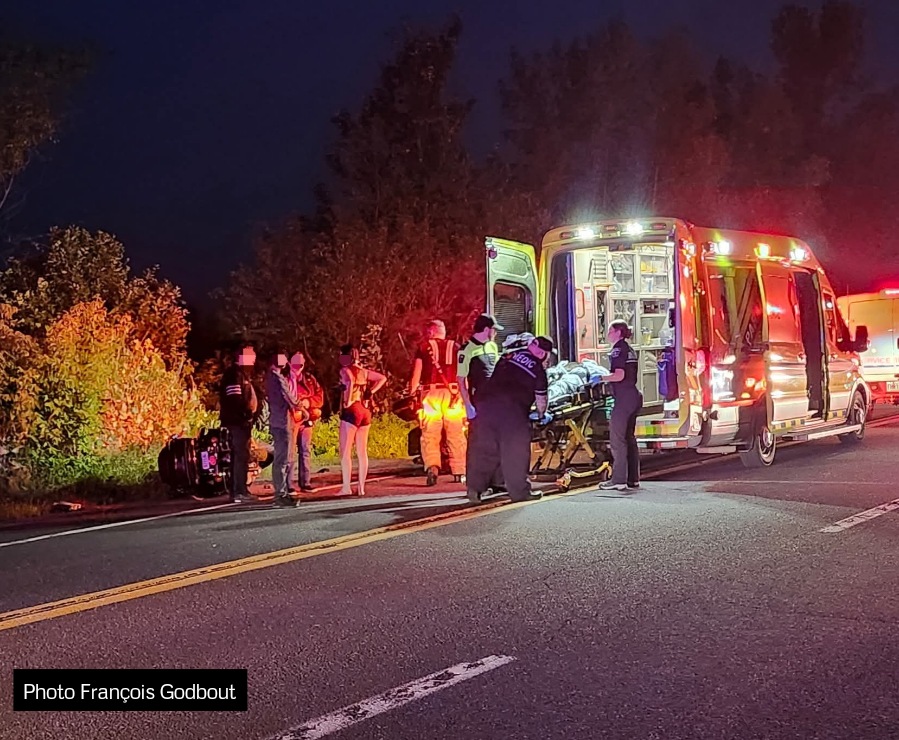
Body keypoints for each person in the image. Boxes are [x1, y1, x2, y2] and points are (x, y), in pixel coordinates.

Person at [466, 335, 554, 503]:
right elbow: (541, 400)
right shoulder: (538, 369)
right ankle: (520, 492)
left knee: (483, 450)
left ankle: (475, 490)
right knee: (515, 453)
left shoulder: (509, 355)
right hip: (512, 413)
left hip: (485, 407)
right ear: (543, 353)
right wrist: (541, 415)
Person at [408, 319, 466, 486]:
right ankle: (459, 471)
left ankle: (432, 467)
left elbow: (416, 373)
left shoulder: (423, 348)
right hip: (453, 394)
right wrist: (463, 395)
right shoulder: (456, 347)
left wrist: (412, 392)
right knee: (456, 433)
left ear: (431, 332)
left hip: (431, 394)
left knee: (430, 434)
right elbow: (463, 372)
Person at [457, 314, 503, 495]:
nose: (495, 334)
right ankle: (476, 484)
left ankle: (498, 482)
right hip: (480, 402)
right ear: (486, 330)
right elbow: (461, 380)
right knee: (479, 444)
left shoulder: (492, 346)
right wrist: (468, 405)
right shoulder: (466, 350)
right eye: (493, 330)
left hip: (497, 401)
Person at [599, 320, 642, 492]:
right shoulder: (629, 349)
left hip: (623, 398)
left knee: (617, 440)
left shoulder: (618, 350)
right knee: (630, 439)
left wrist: (602, 378)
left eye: (610, 330)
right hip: (634, 397)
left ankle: (618, 480)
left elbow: (619, 375)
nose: (608, 333)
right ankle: (633, 479)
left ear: (618, 332)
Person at [338, 344, 387, 496]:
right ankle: (361, 487)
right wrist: (370, 391)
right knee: (362, 451)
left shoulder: (345, 370)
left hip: (352, 410)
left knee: (345, 451)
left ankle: (346, 487)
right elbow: (382, 378)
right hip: (365, 411)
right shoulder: (364, 372)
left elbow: (350, 381)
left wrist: (347, 400)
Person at [219, 344, 258, 504]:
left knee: (242, 455)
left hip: (241, 422)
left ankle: (240, 490)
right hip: (237, 423)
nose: (254, 359)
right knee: (240, 456)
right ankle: (239, 491)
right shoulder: (234, 375)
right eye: (251, 355)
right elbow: (235, 399)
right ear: (241, 357)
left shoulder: (242, 374)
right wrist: (245, 415)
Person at [265, 351, 301, 507]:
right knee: (282, 459)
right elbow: (288, 397)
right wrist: (301, 407)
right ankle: (281, 495)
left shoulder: (270, 376)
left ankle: (283, 492)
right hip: (282, 422)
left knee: (284, 459)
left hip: (278, 421)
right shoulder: (277, 377)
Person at [289, 351, 325, 492]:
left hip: (307, 418)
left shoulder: (310, 379)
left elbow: (320, 398)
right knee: (290, 452)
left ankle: (305, 482)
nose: (298, 365)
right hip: (292, 418)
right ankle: (289, 484)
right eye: (296, 361)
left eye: (301, 362)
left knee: (305, 451)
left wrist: (308, 402)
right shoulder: (286, 379)